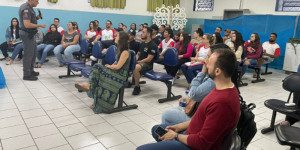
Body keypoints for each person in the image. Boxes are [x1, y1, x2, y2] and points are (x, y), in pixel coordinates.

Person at [137, 48, 240, 150]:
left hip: (194, 145)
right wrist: (179, 127)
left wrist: (175, 136)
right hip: (190, 134)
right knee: (156, 129)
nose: (206, 65)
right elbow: (201, 119)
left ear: (217, 71)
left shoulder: (222, 103)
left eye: (209, 64)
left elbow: (203, 143)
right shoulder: (220, 87)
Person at [75, 31, 131, 113]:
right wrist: (110, 66)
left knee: (97, 67)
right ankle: (94, 97)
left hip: (121, 75)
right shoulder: (120, 49)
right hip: (116, 71)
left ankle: (88, 86)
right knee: (98, 74)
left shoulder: (125, 52)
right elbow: (116, 63)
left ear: (121, 39)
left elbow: (118, 66)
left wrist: (109, 67)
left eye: (117, 36)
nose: (115, 37)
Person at [162, 49, 215, 124]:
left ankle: (173, 133)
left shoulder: (212, 80)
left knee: (166, 115)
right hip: (196, 108)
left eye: (208, 56)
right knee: (173, 110)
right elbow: (197, 95)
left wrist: (202, 72)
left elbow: (194, 94)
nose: (206, 59)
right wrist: (189, 99)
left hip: (199, 116)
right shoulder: (209, 75)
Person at [19, 0, 46, 81]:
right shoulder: (26, 8)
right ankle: (26, 75)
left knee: (33, 53)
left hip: (31, 34)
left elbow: (30, 20)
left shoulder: (30, 8)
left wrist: (37, 17)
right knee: (28, 54)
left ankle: (31, 71)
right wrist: (39, 25)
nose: (38, 2)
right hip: (27, 34)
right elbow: (27, 24)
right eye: (37, 1)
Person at [132, 27, 156, 95]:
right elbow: (138, 54)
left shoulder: (153, 45)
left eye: (143, 32)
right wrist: (135, 60)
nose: (141, 34)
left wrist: (139, 62)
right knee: (130, 63)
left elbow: (149, 59)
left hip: (148, 64)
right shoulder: (143, 43)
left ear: (148, 34)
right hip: (140, 62)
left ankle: (137, 87)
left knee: (136, 67)